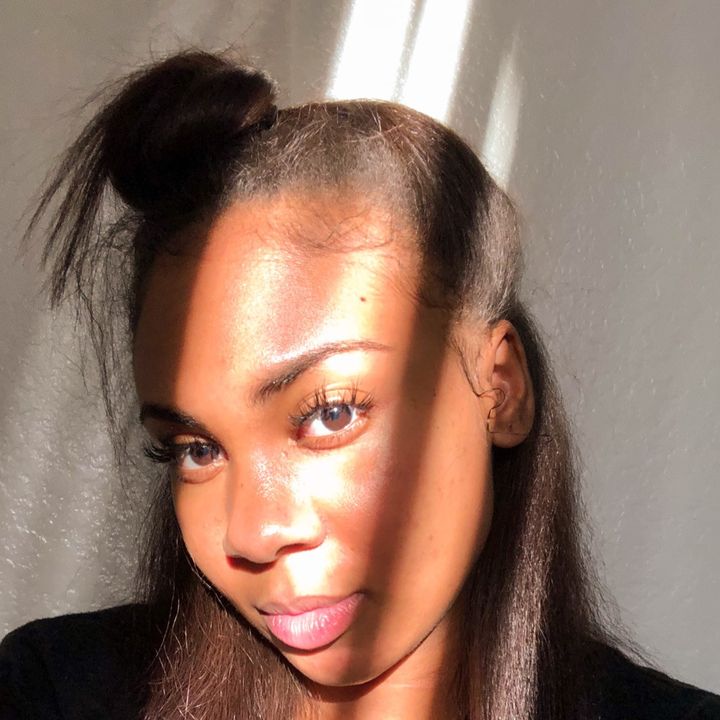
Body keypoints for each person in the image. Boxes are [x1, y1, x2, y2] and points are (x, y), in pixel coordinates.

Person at [0, 50, 718, 720]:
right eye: (196, 449)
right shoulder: (53, 692)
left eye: (331, 413)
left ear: (500, 388)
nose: (252, 534)